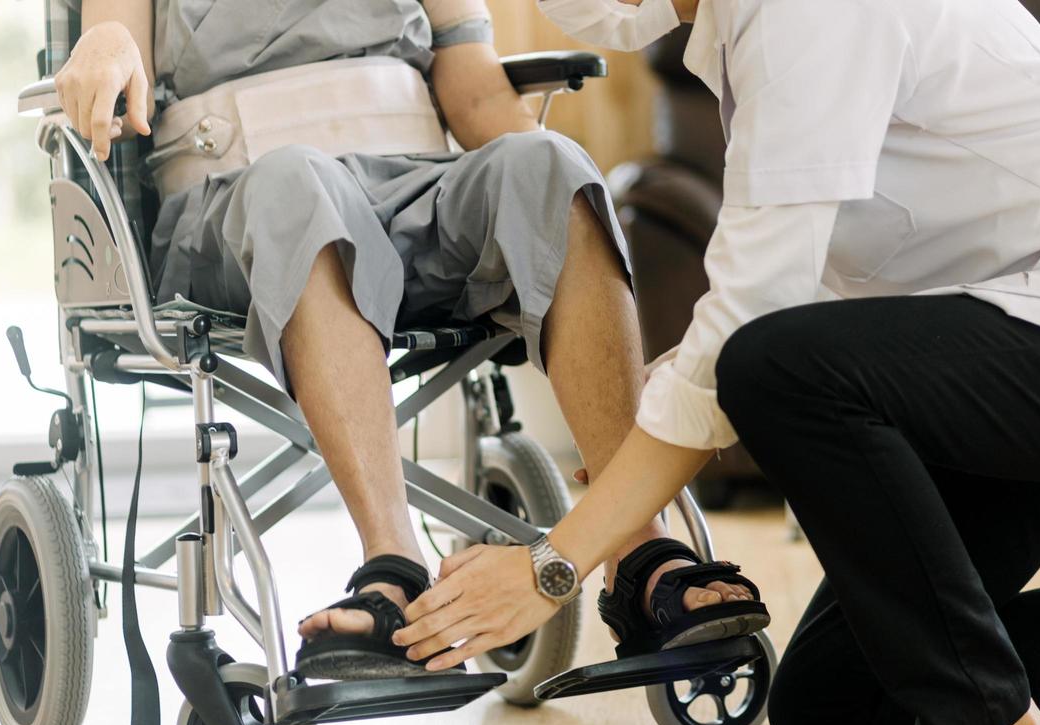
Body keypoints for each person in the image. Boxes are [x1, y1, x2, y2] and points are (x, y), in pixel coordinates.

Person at [396, 0, 1040, 725]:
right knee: (830, 710)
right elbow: (843, 260)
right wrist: (683, 384)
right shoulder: (740, 28)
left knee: (773, 366)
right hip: (1026, 332)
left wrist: (552, 565)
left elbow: (756, 325)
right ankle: (975, 694)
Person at [53, 0, 768, 685]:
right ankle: (391, 569)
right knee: (296, 183)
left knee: (552, 164)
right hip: (235, 202)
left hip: (414, 189)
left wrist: (538, 205)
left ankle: (637, 553)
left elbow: (479, 99)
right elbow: (114, 34)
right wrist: (106, 44)